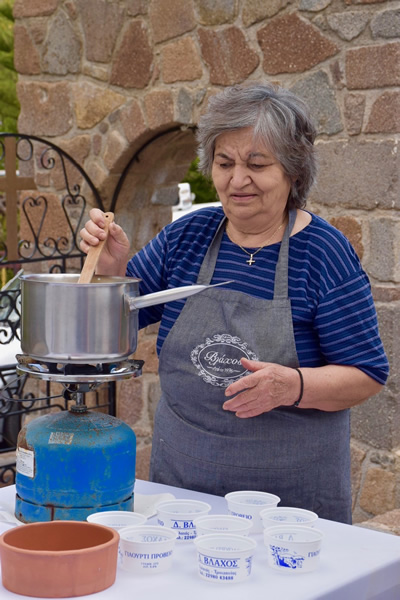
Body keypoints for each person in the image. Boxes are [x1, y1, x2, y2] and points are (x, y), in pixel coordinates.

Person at [80, 82, 389, 524]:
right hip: (181, 492)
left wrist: (294, 386)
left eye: (257, 164)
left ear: (294, 173)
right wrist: (110, 271)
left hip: (288, 508)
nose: (237, 180)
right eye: (224, 163)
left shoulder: (323, 253)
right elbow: (114, 331)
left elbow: (367, 375)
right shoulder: (186, 236)